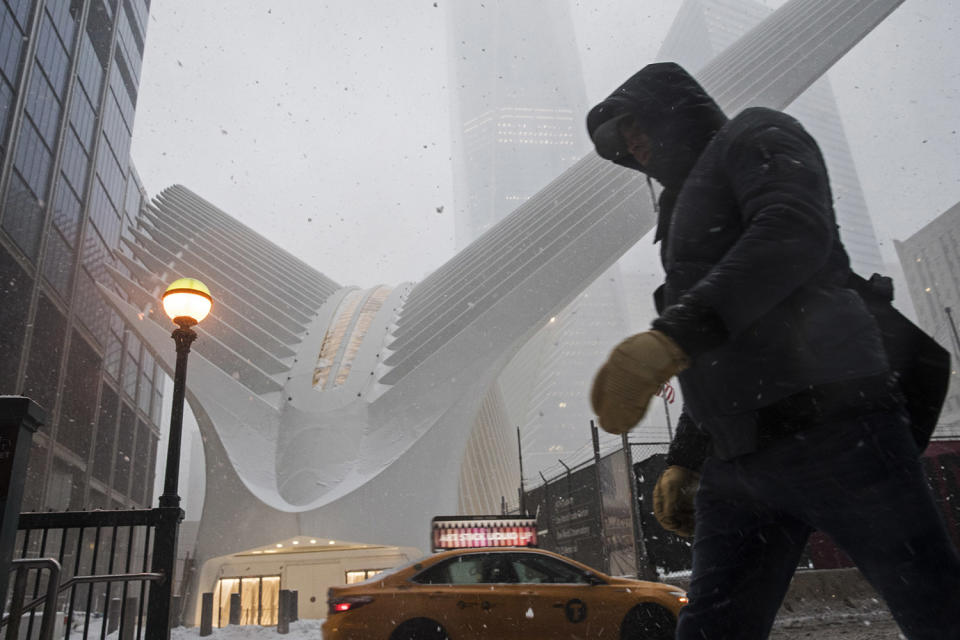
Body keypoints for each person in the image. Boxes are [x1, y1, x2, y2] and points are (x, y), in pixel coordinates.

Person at [586, 62, 960, 639]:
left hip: (837, 427)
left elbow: (792, 231)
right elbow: (724, 352)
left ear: (673, 108)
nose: (632, 143)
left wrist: (674, 336)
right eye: (620, 140)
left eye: (636, 123)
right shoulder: (678, 208)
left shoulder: (755, 134)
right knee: (715, 626)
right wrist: (688, 456)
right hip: (739, 463)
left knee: (934, 603)